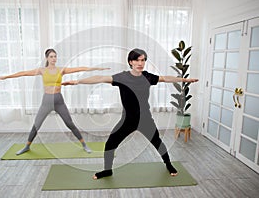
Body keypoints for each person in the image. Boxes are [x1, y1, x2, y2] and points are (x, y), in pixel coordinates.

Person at [62, 48, 198, 179]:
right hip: (127, 120)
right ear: (131, 62)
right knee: (110, 144)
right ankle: (107, 170)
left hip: (145, 119)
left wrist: (185, 80)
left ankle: (168, 165)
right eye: (137, 60)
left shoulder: (148, 77)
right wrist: (77, 81)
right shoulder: (122, 77)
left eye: (143, 60)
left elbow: (166, 78)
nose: (140, 63)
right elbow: (100, 78)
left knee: (157, 143)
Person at [0, 48, 109, 155]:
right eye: (51, 57)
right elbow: (23, 73)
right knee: (36, 125)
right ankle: (27, 146)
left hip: (59, 101)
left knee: (70, 124)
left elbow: (80, 68)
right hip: (46, 101)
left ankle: (84, 144)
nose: (54, 59)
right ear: (47, 58)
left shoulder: (61, 70)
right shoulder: (42, 70)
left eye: (55, 56)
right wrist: (6, 77)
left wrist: (97, 68)